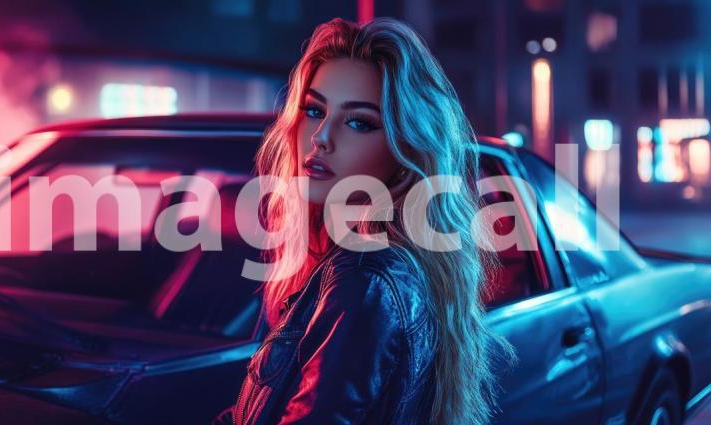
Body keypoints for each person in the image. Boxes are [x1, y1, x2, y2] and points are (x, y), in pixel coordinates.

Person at [214, 16, 509, 425]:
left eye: (359, 122)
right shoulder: (375, 265)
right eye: (315, 110)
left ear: (404, 149)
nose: (321, 137)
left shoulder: (363, 280)